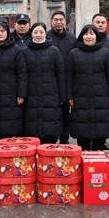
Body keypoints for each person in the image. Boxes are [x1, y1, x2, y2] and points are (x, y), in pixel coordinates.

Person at [67, 25, 109, 151]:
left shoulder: (105, 53)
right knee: (82, 131)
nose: (88, 37)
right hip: (80, 97)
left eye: (91, 34)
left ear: (97, 36)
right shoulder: (73, 54)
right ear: (81, 37)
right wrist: (69, 96)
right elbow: (69, 77)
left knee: (100, 131)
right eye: (86, 34)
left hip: (101, 97)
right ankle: (84, 156)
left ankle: (98, 156)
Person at [23, 22, 66, 144]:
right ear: (31, 34)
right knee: (32, 125)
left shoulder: (54, 51)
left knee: (51, 123)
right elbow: (22, 75)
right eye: (35, 32)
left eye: (41, 32)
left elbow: (60, 74)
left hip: (51, 94)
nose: (38, 35)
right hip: (31, 94)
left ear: (45, 34)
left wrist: (63, 96)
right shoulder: (24, 51)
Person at [47, 10, 76, 144]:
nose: (58, 22)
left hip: (67, 80)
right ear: (51, 22)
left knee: (65, 111)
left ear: (65, 22)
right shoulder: (46, 37)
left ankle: (65, 138)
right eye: (56, 20)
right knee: (52, 111)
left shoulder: (72, 38)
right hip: (51, 81)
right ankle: (52, 137)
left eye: (61, 20)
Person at [92, 13, 109, 150]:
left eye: (103, 22)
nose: (100, 25)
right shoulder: (85, 39)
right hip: (87, 85)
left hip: (105, 85)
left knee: (103, 116)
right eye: (97, 22)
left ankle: (102, 140)